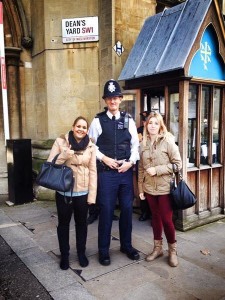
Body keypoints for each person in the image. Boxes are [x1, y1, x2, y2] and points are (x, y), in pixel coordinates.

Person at [88, 79, 140, 266]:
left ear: (120, 99)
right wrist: (105, 159)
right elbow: (91, 145)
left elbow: (136, 145)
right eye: (109, 98)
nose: (113, 101)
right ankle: (103, 251)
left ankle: (126, 246)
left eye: (115, 98)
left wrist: (130, 162)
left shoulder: (128, 120)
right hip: (106, 174)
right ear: (105, 101)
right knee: (107, 211)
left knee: (126, 210)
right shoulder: (97, 120)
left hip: (125, 173)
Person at [47, 116, 97, 270]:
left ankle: (81, 253)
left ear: (87, 130)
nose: (81, 129)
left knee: (82, 224)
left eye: (84, 127)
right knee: (63, 224)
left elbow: (93, 171)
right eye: (78, 126)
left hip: (82, 192)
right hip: (64, 192)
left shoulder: (91, 145)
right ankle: (65, 255)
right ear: (73, 126)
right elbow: (51, 164)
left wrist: (92, 195)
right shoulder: (60, 141)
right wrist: (65, 154)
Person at [138, 112, 182, 267]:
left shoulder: (168, 141)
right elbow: (141, 169)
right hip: (149, 189)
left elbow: (178, 164)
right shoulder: (142, 144)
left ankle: (172, 250)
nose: (153, 126)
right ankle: (158, 249)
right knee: (155, 218)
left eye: (156, 123)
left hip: (165, 189)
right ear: (146, 125)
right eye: (150, 123)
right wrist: (141, 188)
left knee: (166, 219)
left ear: (160, 125)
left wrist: (158, 169)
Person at [137, 111, 151, 221]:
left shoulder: (157, 130)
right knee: (142, 187)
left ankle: (153, 213)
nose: (145, 122)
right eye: (144, 121)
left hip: (154, 164)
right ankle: (144, 212)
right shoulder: (139, 131)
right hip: (142, 162)